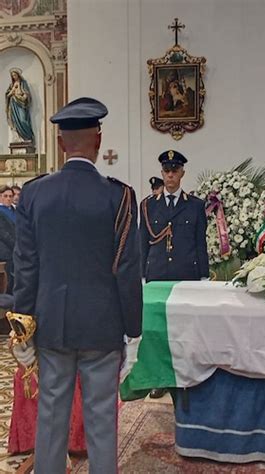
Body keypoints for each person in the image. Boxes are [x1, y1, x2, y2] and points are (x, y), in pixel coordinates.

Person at [11, 97, 143, 474]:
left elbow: (26, 265)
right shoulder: (119, 196)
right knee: (101, 420)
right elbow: (127, 269)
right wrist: (133, 331)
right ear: (98, 141)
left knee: (51, 418)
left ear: (59, 142)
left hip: (52, 325)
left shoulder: (34, 194)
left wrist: (22, 328)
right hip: (103, 327)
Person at [140, 149, 209, 282]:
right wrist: (141, 275)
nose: (170, 175)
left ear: (182, 173)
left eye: (175, 171)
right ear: (162, 173)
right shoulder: (148, 205)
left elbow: (200, 243)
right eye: (166, 171)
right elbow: (143, 243)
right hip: (155, 273)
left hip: (186, 273)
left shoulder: (195, 206)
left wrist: (204, 275)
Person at [5, 68, 35, 143]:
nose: (14, 77)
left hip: (21, 104)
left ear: (18, 75)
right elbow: (7, 95)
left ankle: (28, 137)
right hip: (13, 104)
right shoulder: (11, 85)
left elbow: (26, 94)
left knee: (22, 120)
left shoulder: (23, 83)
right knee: (15, 122)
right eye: (12, 76)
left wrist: (23, 97)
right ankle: (19, 138)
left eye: (15, 75)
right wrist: (11, 93)